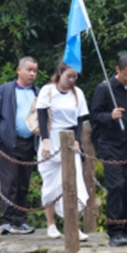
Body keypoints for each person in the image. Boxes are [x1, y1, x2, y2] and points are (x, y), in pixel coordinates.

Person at [89, 54, 127, 247]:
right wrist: (109, 116)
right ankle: (115, 231)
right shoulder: (104, 88)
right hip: (110, 145)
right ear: (118, 70)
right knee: (116, 186)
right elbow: (94, 115)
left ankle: (126, 229)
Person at [37, 61, 90, 241]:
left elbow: (80, 120)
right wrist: (45, 140)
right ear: (60, 73)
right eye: (69, 76)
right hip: (51, 138)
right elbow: (41, 116)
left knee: (74, 183)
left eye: (75, 77)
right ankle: (51, 225)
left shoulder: (78, 93)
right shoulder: (48, 90)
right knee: (50, 185)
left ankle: (73, 225)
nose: (71, 80)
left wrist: (77, 139)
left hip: (70, 140)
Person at [0, 56, 40, 235]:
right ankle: (7, 220)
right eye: (29, 70)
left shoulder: (38, 92)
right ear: (19, 70)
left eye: (35, 71)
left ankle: (21, 220)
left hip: (29, 143)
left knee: (23, 184)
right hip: (8, 143)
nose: (32, 74)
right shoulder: (5, 90)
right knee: (9, 182)